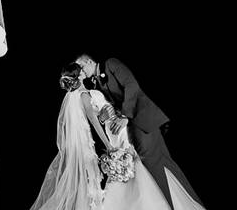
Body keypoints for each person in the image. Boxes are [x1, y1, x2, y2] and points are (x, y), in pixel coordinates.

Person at [30, 63, 205, 210]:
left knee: (134, 163)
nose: (84, 70)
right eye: (81, 69)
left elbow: (99, 114)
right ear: (78, 76)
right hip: (114, 131)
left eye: (83, 67)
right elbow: (94, 122)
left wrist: (109, 115)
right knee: (131, 163)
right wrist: (109, 145)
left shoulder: (87, 92)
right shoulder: (83, 95)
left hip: (116, 127)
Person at [75, 55, 204, 208]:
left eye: (81, 68)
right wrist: (104, 116)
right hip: (127, 130)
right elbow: (106, 107)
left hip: (142, 120)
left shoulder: (111, 64)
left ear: (90, 62)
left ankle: (175, 205)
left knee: (156, 165)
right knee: (154, 166)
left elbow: (132, 85)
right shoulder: (94, 84)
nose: (80, 72)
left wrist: (125, 116)